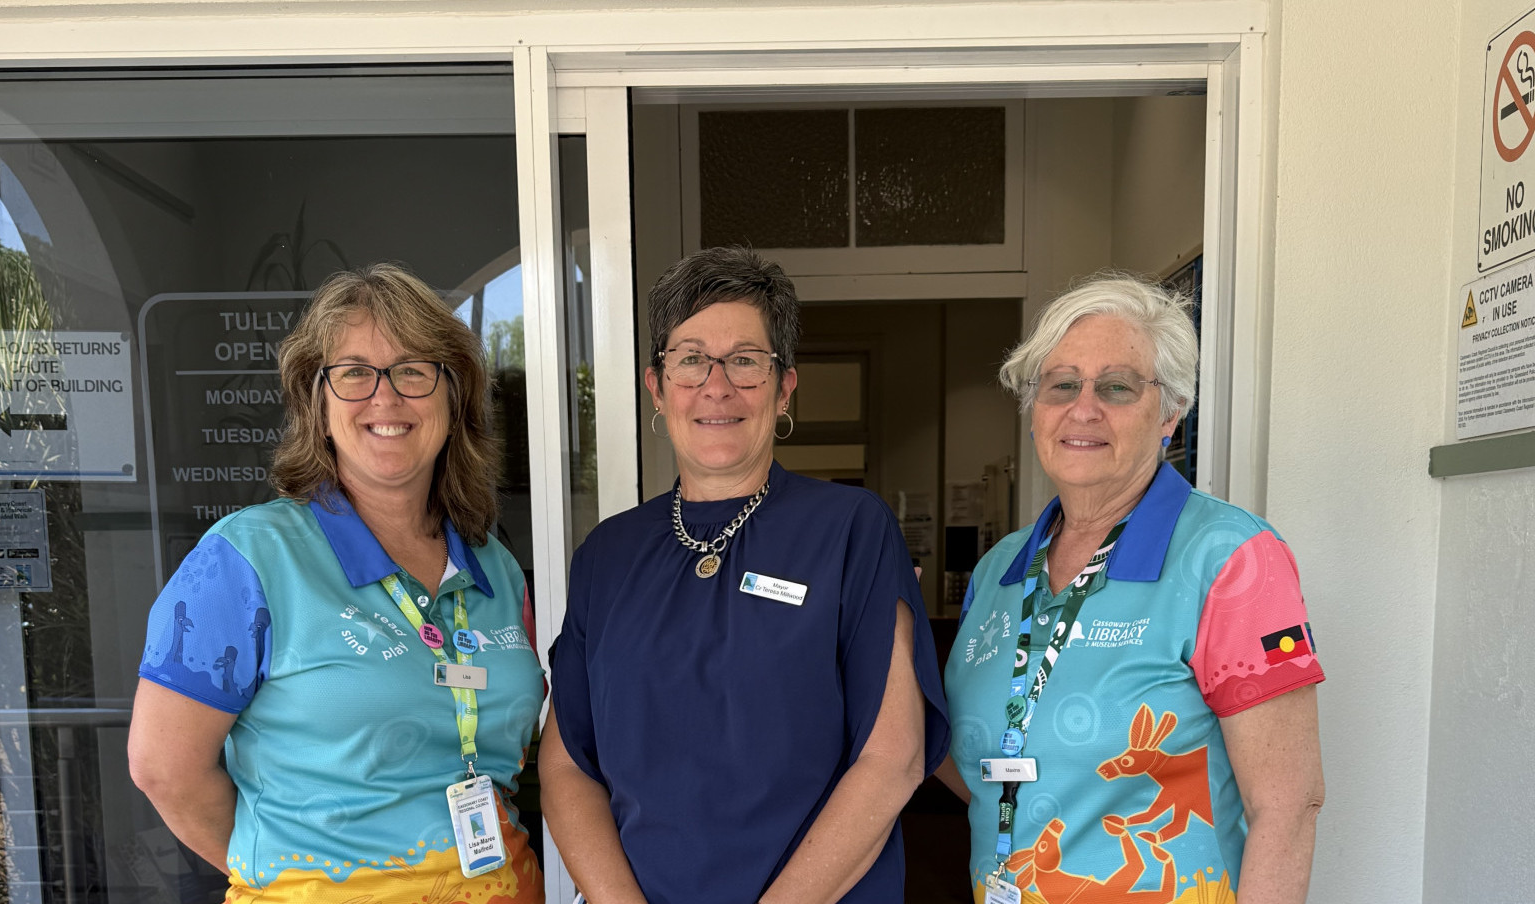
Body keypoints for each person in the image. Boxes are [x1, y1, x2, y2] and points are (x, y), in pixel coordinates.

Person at [541, 245, 950, 904]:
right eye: (691, 359)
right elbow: (566, 766)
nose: (717, 386)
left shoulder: (852, 529)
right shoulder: (607, 556)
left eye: (746, 360)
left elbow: (892, 758)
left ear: (785, 386)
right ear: (657, 386)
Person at [128, 263, 545, 904]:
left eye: (414, 370)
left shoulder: (494, 565)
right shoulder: (246, 559)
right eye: (353, 373)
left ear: (453, 398)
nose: (386, 397)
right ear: (317, 406)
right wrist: (300, 878)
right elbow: (165, 771)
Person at [941, 273, 1324, 904]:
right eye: (1061, 385)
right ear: (1035, 412)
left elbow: (1288, 806)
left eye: (1116, 386)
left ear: (1171, 412)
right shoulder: (1000, 570)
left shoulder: (1232, 558)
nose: (1083, 408)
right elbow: (981, 765)